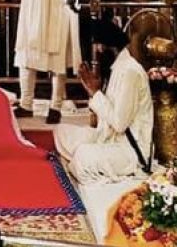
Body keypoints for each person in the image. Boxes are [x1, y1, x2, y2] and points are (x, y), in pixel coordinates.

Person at [54, 16, 153, 185]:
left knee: (83, 156)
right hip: (110, 140)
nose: (97, 52)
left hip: (130, 151)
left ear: (111, 47)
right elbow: (102, 122)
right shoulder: (116, 69)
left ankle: (89, 165)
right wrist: (94, 93)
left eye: (99, 46)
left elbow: (120, 123)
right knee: (61, 132)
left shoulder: (130, 72)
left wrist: (96, 92)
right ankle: (87, 162)